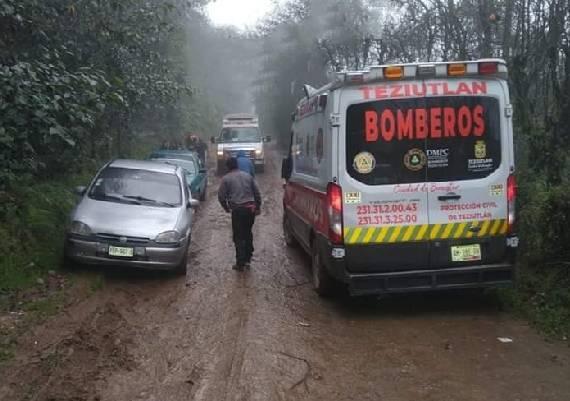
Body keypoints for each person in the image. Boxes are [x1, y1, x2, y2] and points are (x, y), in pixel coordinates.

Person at [218, 157, 262, 271]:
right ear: (237, 165)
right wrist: (257, 206)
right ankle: (248, 259)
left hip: (238, 210)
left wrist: (226, 208)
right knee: (248, 233)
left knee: (238, 236)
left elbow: (221, 196)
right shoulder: (248, 176)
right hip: (250, 209)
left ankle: (240, 262)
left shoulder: (226, 179)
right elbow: (257, 193)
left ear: (227, 167)